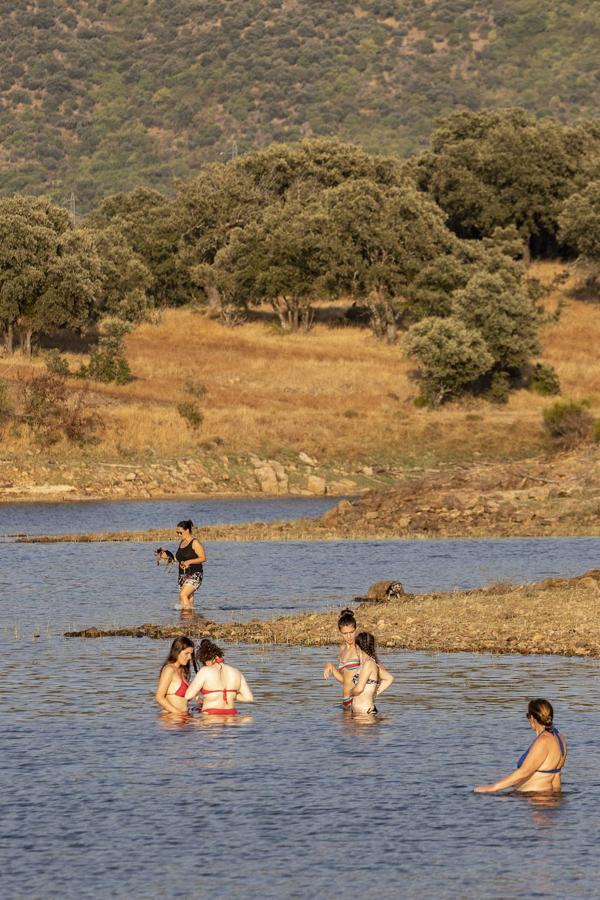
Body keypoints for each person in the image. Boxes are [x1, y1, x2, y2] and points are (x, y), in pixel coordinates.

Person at [474, 698, 567, 794]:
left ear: (532, 718)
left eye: (527, 716)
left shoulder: (543, 741)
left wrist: (493, 787)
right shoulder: (560, 738)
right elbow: (556, 775)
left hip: (535, 798)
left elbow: (524, 771)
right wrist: (556, 795)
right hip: (546, 797)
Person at [185, 639, 253, 716]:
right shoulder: (236, 672)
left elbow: (188, 695)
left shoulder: (205, 671)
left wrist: (197, 697)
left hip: (211, 716)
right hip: (232, 715)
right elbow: (249, 698)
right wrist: (231, 694)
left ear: (206, 660)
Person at [323, 608, 361, 709]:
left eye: (351, 632)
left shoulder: (359, 647)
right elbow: (344, 680)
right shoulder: (342, 649)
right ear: (340, 632)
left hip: (357, 701)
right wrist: (330, 666)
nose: (349, 637)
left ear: (356, 629)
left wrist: (373, 692)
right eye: (345, 633)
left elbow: (376, 668)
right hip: (346, 702)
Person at [348, 631, 393, 716]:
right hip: (359, 713)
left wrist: (349, 692)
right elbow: (389, 678)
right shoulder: (365, 664)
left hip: (366, 713)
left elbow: (359, 689)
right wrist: (375, 692)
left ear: (357, 646)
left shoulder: (369, 663)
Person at [155, 636, 196, 714]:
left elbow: (181, 698)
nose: (190, 657)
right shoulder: (169, 669)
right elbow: (159, 697)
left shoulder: (182, 670)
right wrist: (178, 713)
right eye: (186, 653)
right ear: (177, 652)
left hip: (182, 718)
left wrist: (197, 699)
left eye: (191, 654)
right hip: (172, 719)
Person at [175, 520, 206, 610]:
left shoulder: (195, 542)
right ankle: (190, 621)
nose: (178, 535)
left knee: (182, 595)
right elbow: (179, 559)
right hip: (183, 575)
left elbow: (203, 558)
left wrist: (189, 562)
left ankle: (188, 618)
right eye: (177, 533)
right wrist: (167, 556)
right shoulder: (181, 543)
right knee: (188, 598)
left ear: (187, 530)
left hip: (195, 574)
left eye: (180, 532)